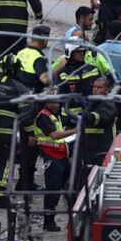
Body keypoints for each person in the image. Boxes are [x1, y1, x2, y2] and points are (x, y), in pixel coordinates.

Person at [13, 25, 51, 192]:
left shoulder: (22, 52)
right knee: (32, 145)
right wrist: (59, 66)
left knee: (25, 145)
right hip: (31, 108)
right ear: (44, 39)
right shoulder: (38, 58)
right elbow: (44, 80)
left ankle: (23, 182)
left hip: (18, 106)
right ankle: (25, 184)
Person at [0, 59, 28, 208]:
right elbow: (26, 114)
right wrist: (29, 134)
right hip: (5, 133)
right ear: (17, 70)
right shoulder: (19, 88)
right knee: (4, 163)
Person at [34, 98, 78, 231]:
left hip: (61, 156)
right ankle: (48, 221)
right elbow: (54, 135)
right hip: (51, 156)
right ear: (47, 103)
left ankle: (75, 217)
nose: (58, 105)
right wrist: (75, 130)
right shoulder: (43, 116)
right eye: (55, 102)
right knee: (53, 190)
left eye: (58, 102)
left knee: (70, 188)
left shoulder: (54, 115)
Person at [80, 77, 118, 167]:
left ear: (107, 90)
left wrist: (84, 116)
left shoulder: (109, 104)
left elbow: (100, 118)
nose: (95, 90)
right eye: (94, 87)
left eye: (99, 87)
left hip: (102, 148)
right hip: (89, 149)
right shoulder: (93, 103)